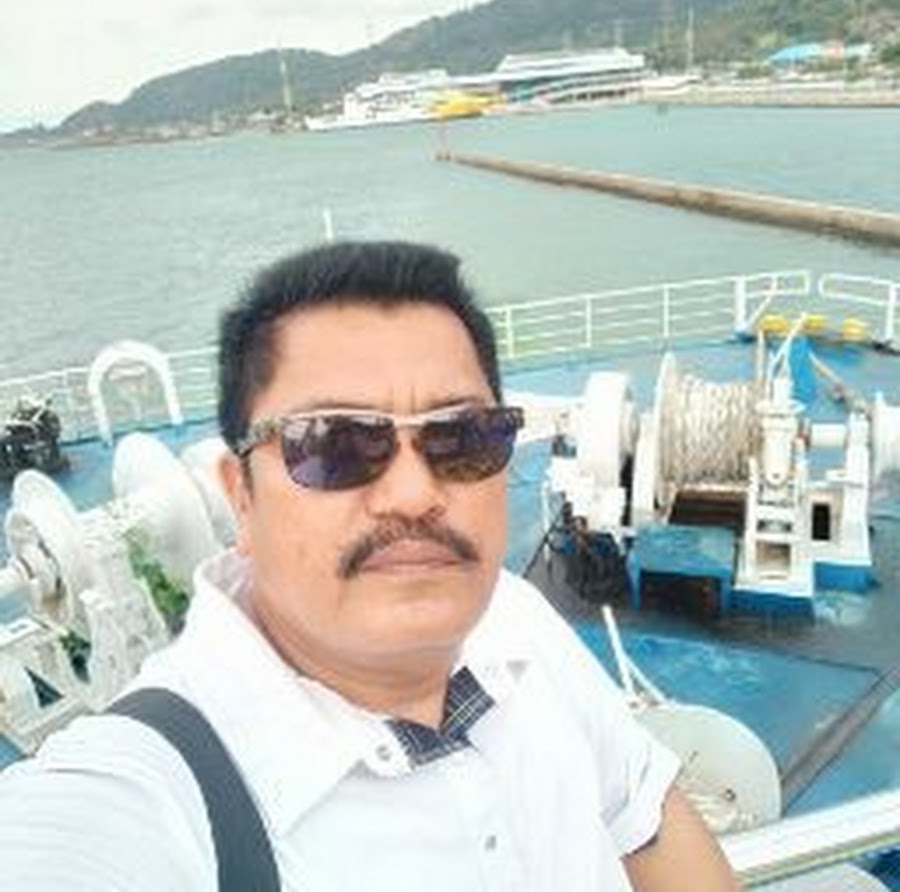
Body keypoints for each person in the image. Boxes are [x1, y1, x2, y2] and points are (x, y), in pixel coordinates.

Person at [0, 241, 740, 891]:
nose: (414, 494)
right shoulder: (152, 794)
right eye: (332, 445)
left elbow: (641, 818)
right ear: (241, 497)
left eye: (462, 438)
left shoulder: (515, 619)